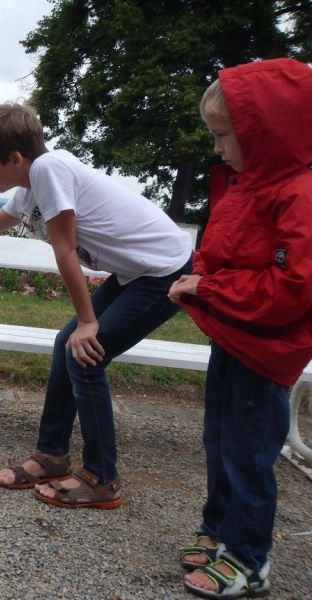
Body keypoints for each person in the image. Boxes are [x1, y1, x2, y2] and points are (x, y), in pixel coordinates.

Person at [0, 102, 193, 509]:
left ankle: (103, 479)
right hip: (137, 274)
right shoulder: (30, 187)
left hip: (165, 273)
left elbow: (64, 250)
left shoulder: (49, 170)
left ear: (15, 158)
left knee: (85, 354)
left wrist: (88, 321)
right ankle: (52, 456)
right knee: (66, 344)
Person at [168, 58, 312, 598]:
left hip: (265, 350)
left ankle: (250, 560)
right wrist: (198, 278)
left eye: (223, 135)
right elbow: (217, 251)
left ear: (264, 132)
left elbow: (292, 287)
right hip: (233, 339)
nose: (217, 149)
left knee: (249, 456)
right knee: (219, 443)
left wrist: (206, 290)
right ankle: (218, 531)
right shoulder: (247, 186)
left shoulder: (297, 194)